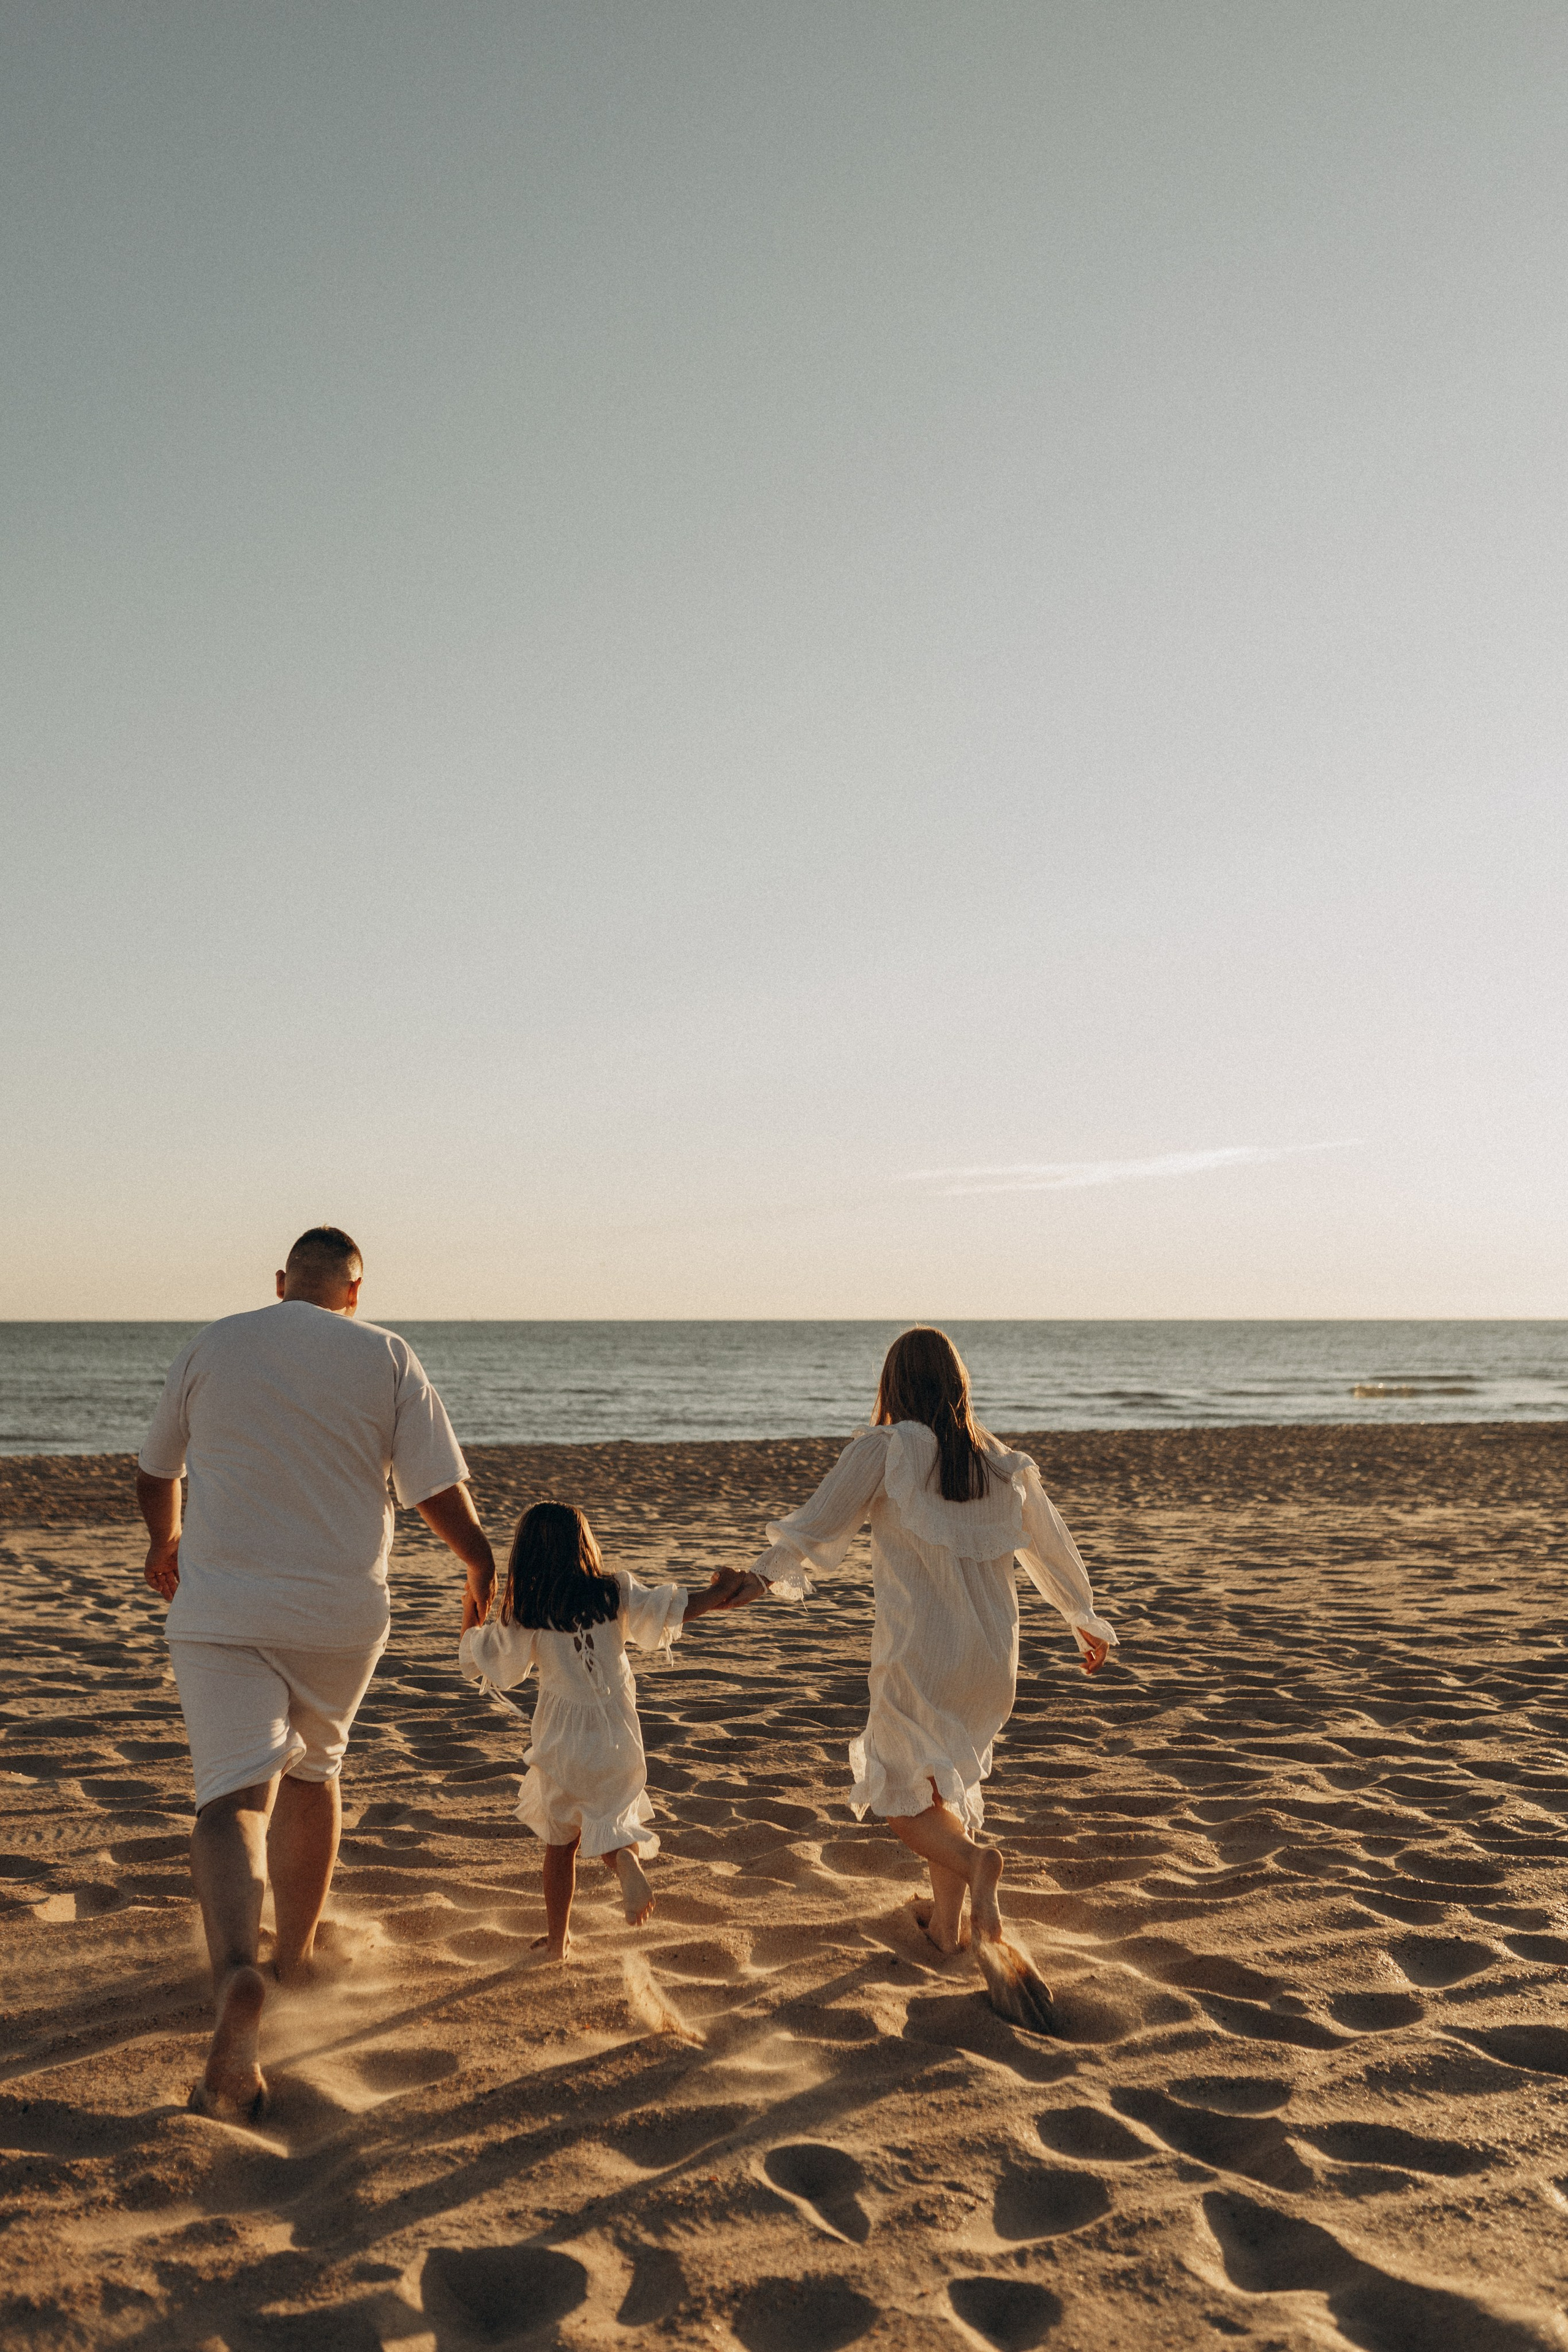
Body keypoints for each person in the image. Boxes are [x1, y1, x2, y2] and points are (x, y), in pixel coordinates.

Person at [137, 1225, 496, 2120]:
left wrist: (164, 1541)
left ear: (280, 1282)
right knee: (315, 1768)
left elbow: (154, 1470)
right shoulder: (386, 1354)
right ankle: (292, 1959)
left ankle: (235, 1977)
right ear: (354, 1291)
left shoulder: (215, 1340)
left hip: (221, 1609)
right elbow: (430, 1490)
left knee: (230, 1803)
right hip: (340, 1614)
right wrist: (480, 1563)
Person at [718, 1325, 1115, 2025]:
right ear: (958, 1384)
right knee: (943, 1783)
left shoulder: (886, 1447)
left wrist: (753, 1584)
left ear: (892, 1384)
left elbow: (813, 1529)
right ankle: (947, 1931)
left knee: (900, 1794)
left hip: (920, 1654)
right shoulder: (999, 1461)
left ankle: (976, 1866)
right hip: (994, 1660)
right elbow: (1053, 1545)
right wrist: (1083, 1617)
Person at [459, 1500, 736, 1959]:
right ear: (583, 1544)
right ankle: (623, 1859)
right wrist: (723, 1591)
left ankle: (556, 1943)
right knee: (604, 1815)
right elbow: (670, 1610)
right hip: (618, 1730)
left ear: (525, 1555)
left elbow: (482, 1659)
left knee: (560, 1841)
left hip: (562, 1739)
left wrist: (471, 1608)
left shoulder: (528, 1609)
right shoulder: (614, 1592)